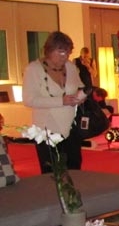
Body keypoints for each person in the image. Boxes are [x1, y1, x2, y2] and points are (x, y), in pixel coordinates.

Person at [22, 31, 87, 172]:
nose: (65, 56)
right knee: (52, 172)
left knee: (74, 168)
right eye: (61, 52)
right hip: (46, 129)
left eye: (68, 52)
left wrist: (81, 97)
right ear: (50, 50)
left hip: (71, 126)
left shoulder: (70, 67)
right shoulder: (33, 69)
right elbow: (29, 100)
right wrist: (60, 101)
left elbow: (79, 86)